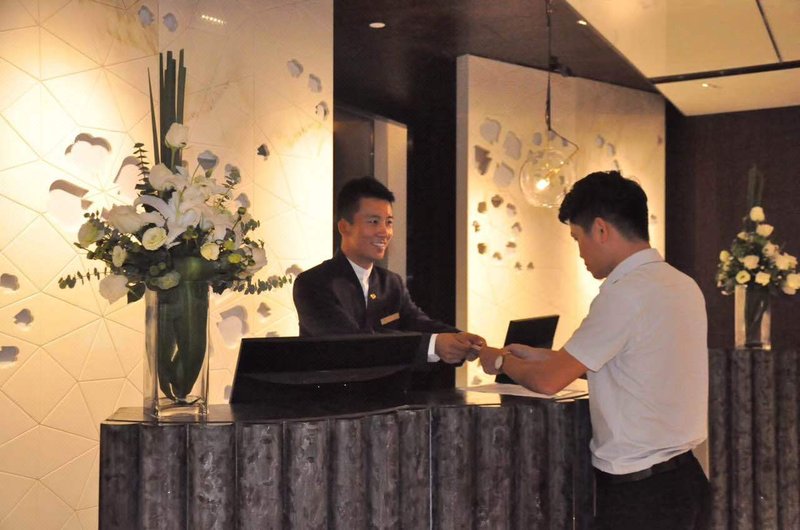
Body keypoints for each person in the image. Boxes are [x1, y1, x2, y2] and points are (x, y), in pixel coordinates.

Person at [479, 171, 710, 529]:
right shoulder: (681, 284)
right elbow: (630, 362)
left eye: (577, 238)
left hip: (642, 497)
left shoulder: (624, 294)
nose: (580, 253)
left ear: (600, 229)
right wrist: (539, 356)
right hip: (687, 482)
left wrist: (498, 360)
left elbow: (548, 382)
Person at [293, 176, 484, 373]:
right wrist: (433, 345)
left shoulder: (391, 283)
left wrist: (462, 340)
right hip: (332, 392)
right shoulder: (312, 284)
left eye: (389, 222)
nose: (384, 232)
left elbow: (417, 323)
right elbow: (351, 345)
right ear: (344, 227)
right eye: (374, 221)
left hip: (391, 390)